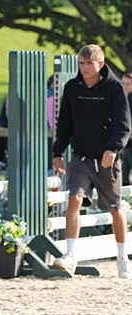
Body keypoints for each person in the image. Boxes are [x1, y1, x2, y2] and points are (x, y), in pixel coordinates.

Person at [51, 45, 131, 278]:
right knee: (74, 199)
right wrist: (58, 151)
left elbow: (124, 125)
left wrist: (113, 149)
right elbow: (65, 124)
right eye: (82, 64)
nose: (85, 68)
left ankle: (122, 257)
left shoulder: (116, 89)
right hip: (81, 157)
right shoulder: (72, 88)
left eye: (89, 64)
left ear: (101, 65)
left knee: (115, 208)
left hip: (107, 159)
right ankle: (70, 255)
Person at [123, 72, 132, 187]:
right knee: (125, 170)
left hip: (129, 139)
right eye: (123, 83)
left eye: (128, 84)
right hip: (127, 140)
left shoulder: (128, 99)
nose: (124, 86)